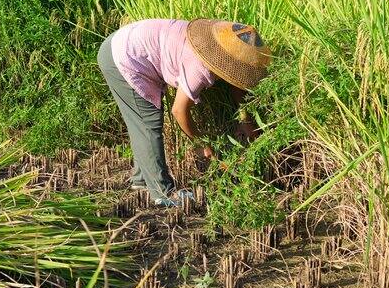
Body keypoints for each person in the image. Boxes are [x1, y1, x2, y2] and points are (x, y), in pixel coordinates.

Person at [97, 18, 271, 207]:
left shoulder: (218, 45)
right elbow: (179, 110)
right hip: (124, 56)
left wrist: (246, 121)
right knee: (148, 122)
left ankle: (141, 180)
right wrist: (200, 144)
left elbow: (238, 84)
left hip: (124, 43)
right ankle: (162, 192)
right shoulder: (200, 67)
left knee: (142, 121)